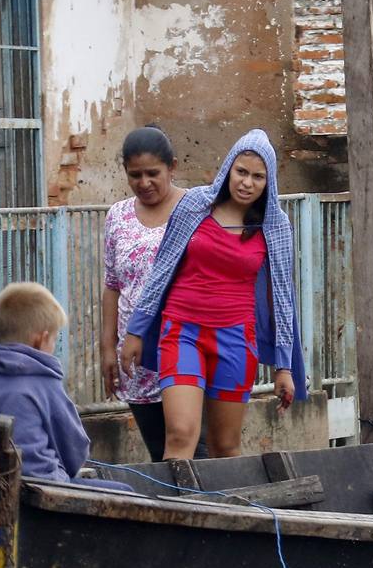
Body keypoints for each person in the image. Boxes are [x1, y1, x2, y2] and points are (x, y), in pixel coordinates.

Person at [119, 129, 307, 459]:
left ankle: (224, 510)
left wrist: (284, 367)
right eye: (241, 172)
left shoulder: (274, 226)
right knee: (179, 435)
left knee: (224, 446)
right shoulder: (194, 205)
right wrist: (136, 330)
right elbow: (162, 268)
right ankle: (178, 510)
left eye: (258, 176)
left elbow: (281, 297)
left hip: (235, 339)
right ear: (228, 170)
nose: (247, 183)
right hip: (181, 332)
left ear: (269, 182)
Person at [0, 282, 132, 492]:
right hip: (39, 492)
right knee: (126, 493)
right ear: (41, 339)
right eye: (54, 340)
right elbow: (74, 450)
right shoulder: (43, 378)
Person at [100, 125, 205, 462]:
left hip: (189, 344)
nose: (144, 183)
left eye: (152, 173)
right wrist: (106, 348)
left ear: (172, 167)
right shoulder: (117, 216)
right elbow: (112, 285)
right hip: (137, 355)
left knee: (197, 450)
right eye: (135, 175)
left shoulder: (197, 209)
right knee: (161, 453)